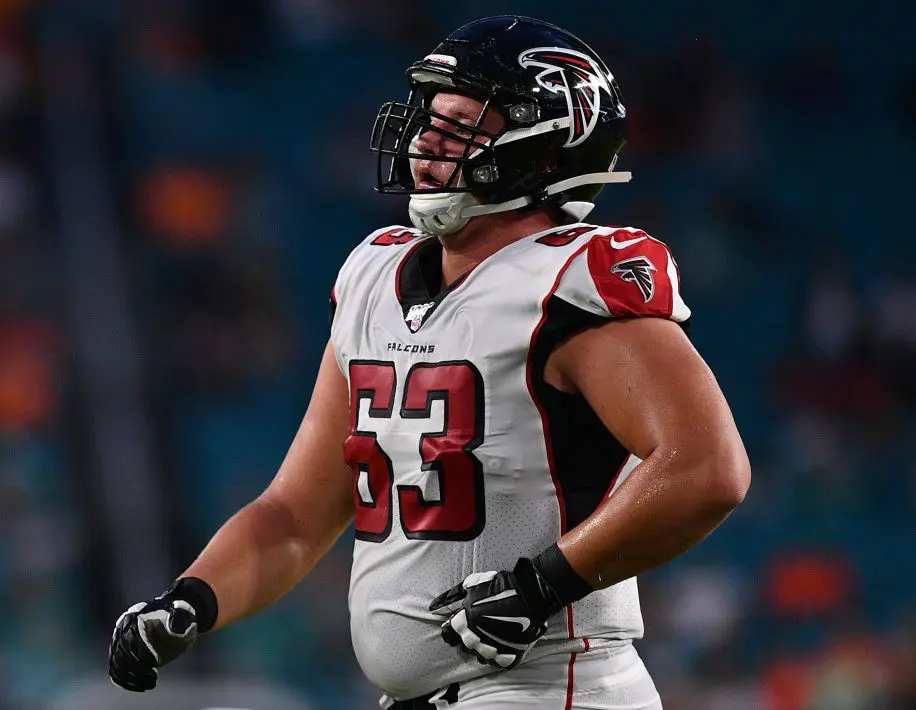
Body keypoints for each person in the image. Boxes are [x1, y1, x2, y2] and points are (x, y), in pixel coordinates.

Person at [108, 15, 750, 709]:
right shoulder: (373, 276)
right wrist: (194, 599)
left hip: (547, 689)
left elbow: (706, 467)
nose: (426, 141)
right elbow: (295, 514)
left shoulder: (570, 280)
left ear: (541, 151)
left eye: (462, 123)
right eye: (430, 119)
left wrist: (545, 586)